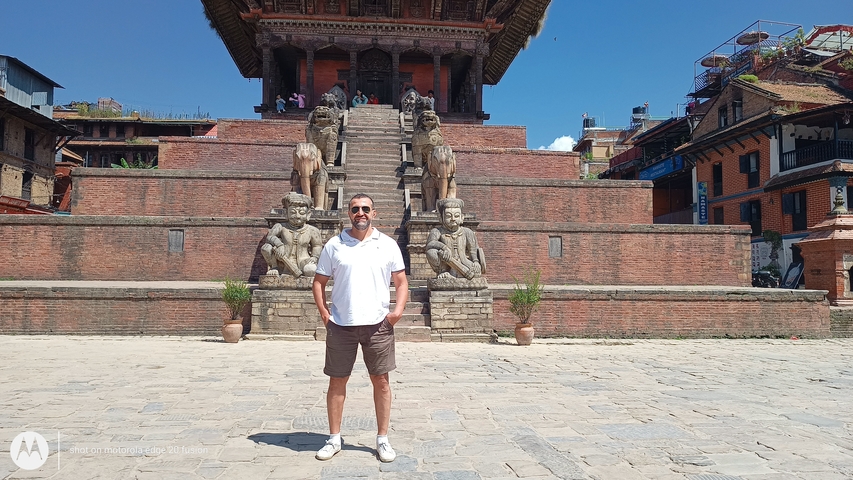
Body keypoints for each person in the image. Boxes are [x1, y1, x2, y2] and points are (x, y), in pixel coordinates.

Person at [312, 194, 408, 463]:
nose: (361, 213)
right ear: (349, 213)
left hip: (378, 324)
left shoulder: (387, 245)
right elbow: (318, 282)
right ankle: (333, 438)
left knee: (381, 382)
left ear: (374, 213)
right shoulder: (334, 245)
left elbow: (401, 282)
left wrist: (396, 313)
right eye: (356, 209)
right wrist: (324, 312)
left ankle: (382, 439)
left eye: (365, 209)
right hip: (341, 324)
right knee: (337, 380)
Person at [260, 192, 323, 278]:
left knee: (311, 270)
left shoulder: (312, 230)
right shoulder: (280, 227)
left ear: (308, 215)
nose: (297, 216)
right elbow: (270, 237)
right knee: (266, 247)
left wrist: (314, 257)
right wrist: (279, 245)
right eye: (293, 212)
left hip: (303, 261)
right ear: (286, 213)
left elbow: (317, 245)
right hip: (282, 260)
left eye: (301, 212)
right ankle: (274, 268)